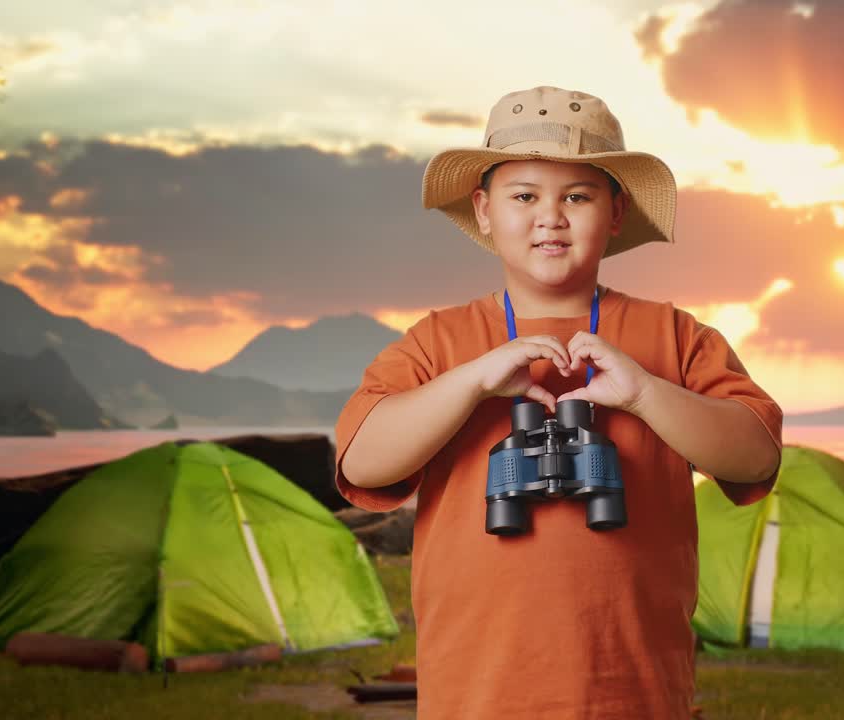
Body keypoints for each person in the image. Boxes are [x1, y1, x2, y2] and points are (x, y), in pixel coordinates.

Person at [335, 86, 783, 719]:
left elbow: (755, 458)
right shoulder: (437, 343)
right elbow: (362, 465)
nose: (551, 216)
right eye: (524, 196)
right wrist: (471, 382)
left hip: (633, 689)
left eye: (577, 196)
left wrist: (646, 394)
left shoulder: (675, 337)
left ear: (617, 212)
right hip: (476, 690)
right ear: (484, 211)